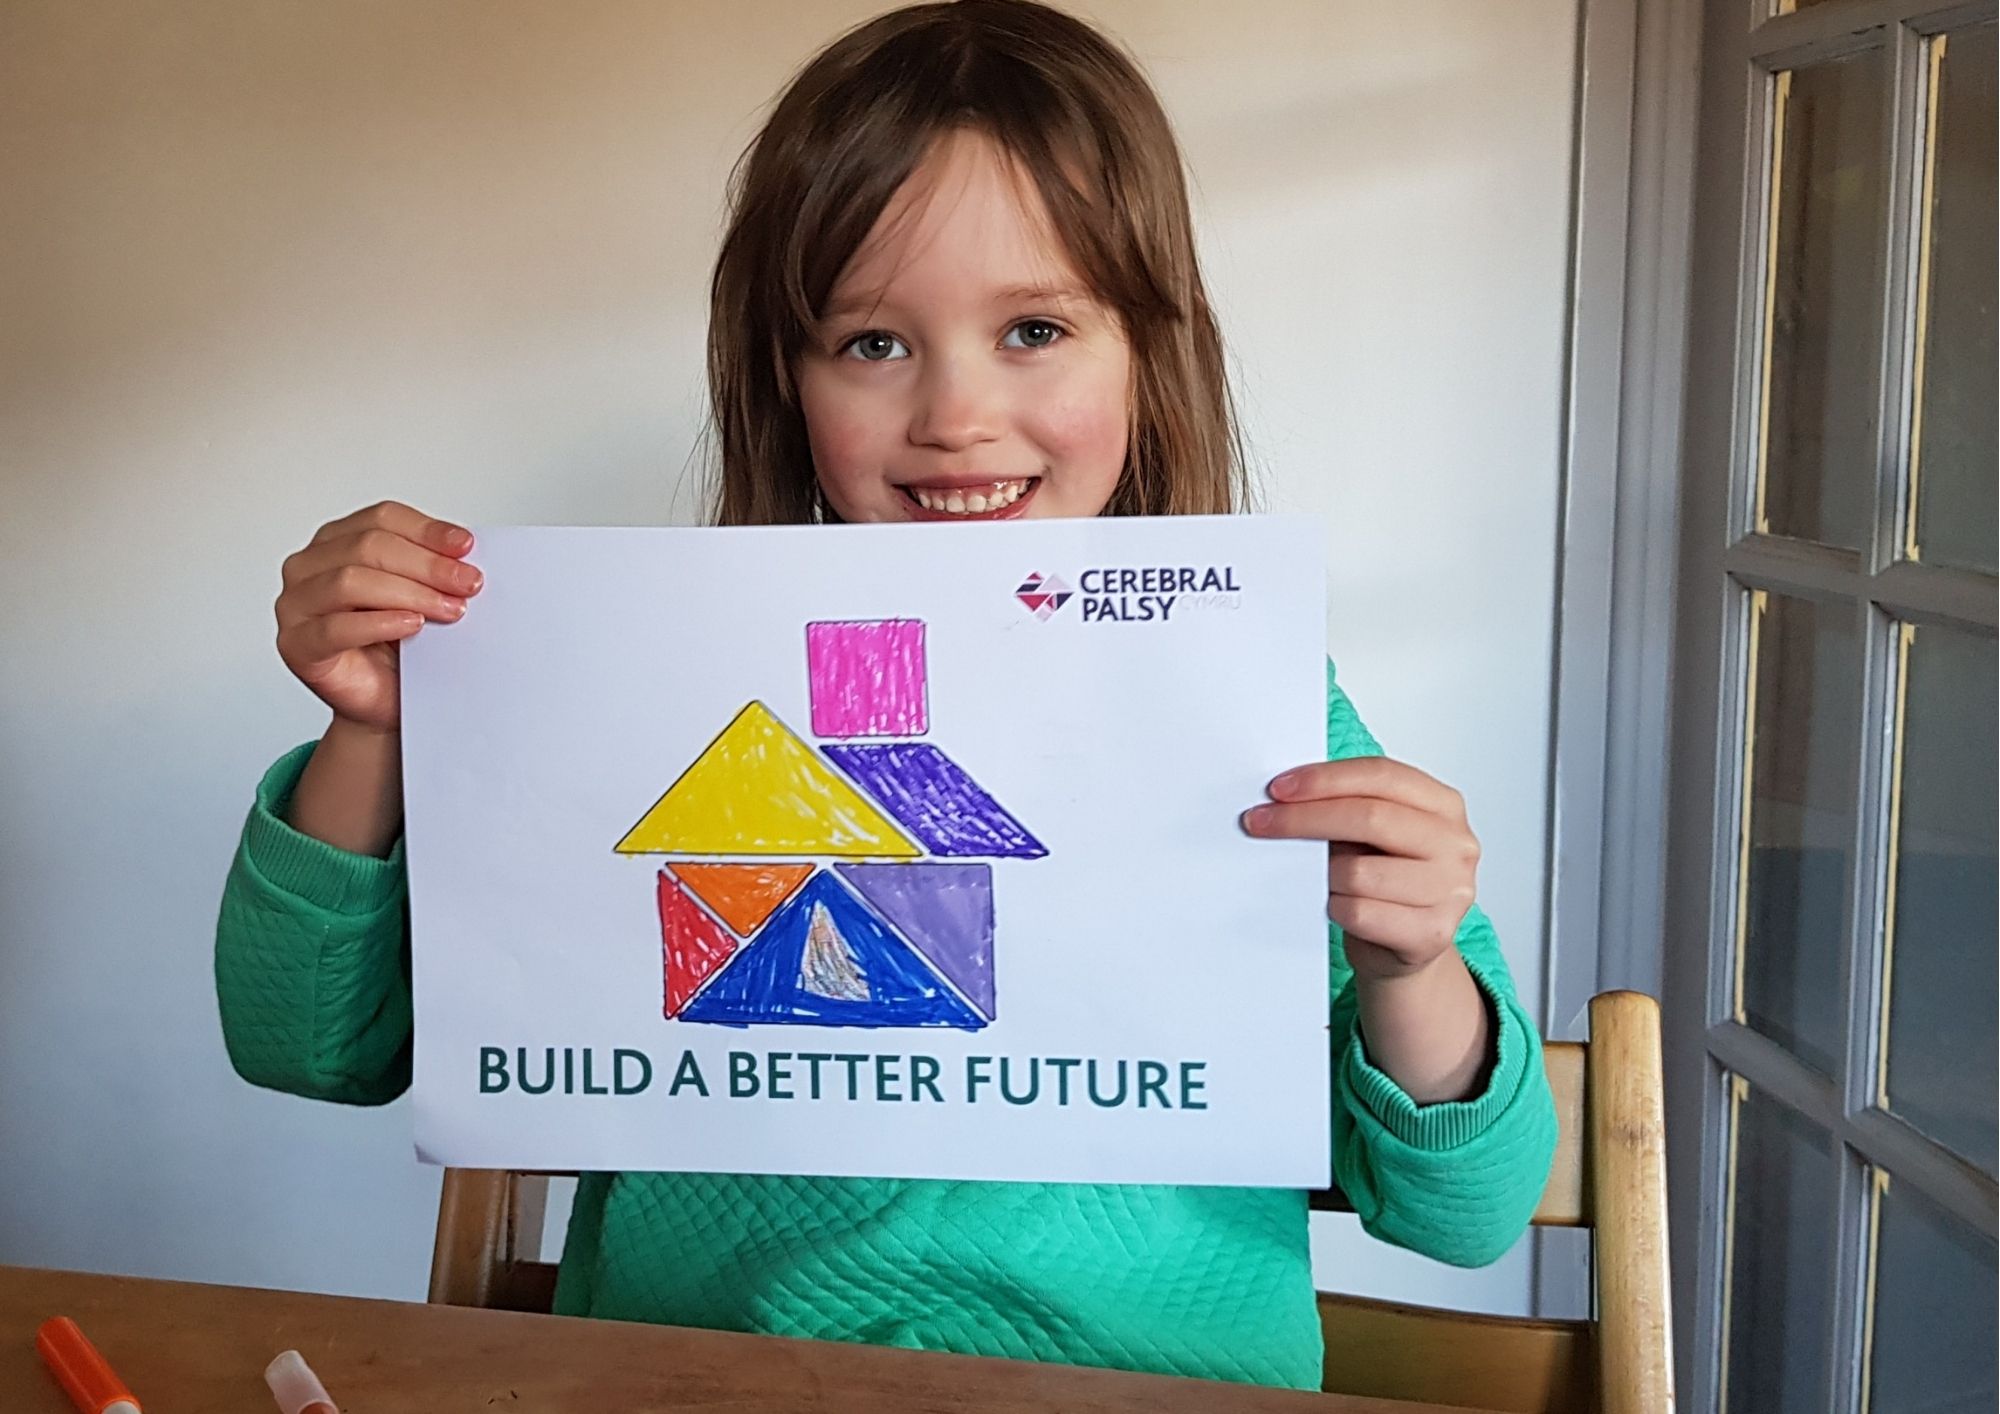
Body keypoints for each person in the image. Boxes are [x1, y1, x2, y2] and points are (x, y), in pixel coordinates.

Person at [216, 0, 1556, 1390]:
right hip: (695, 1377)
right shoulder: (642, 689)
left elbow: (1466, 1209)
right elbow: (304, 1045)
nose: (955, 415)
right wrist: (371, 720)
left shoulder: (1258, 708)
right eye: (871, 343)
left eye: (1034, 326)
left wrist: (1414, 964)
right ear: (782, 382)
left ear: (1149, 360)